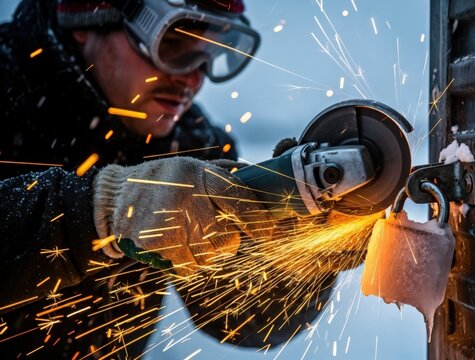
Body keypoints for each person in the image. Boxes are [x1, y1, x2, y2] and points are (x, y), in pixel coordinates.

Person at [0, 0, 368, 358]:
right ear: (89, 16)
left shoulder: (191, 146)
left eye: (207, 54)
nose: (192, 78)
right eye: (172, 44)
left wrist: (299, 252)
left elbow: (236, 313)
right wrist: (101, 208)